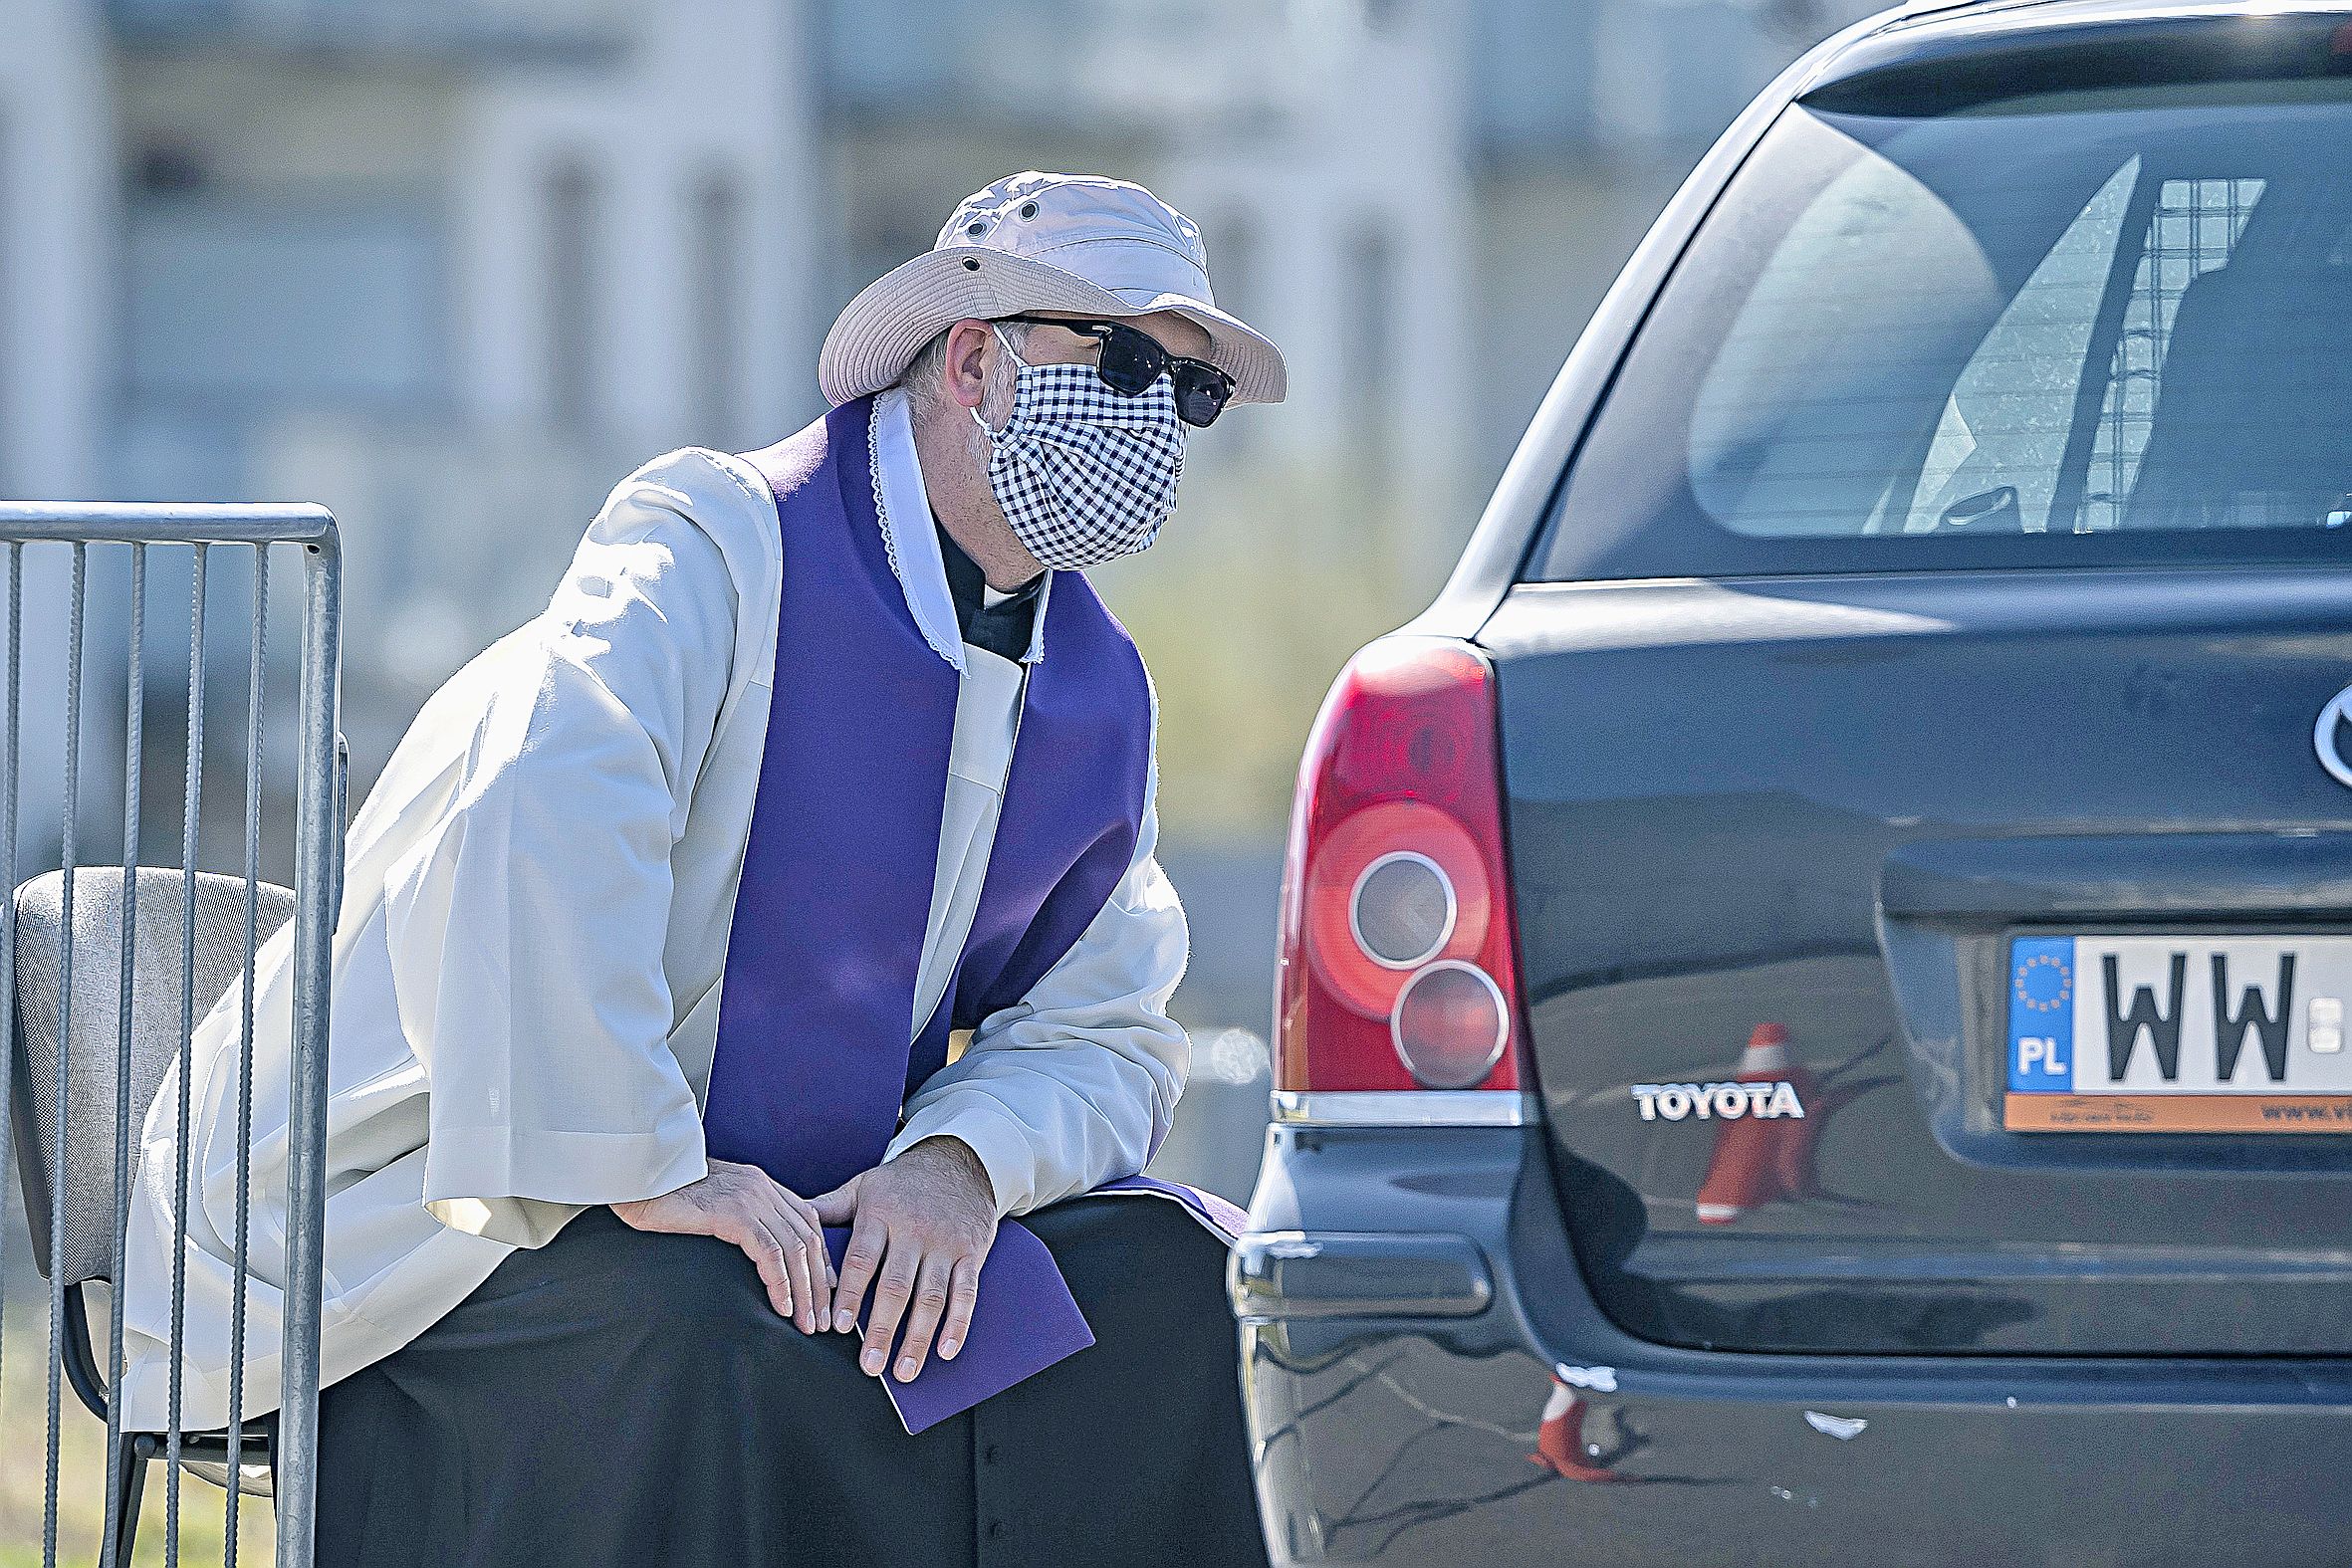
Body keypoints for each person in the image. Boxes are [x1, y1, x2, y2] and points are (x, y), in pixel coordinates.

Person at [113, 170, 1288, 1566]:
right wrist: (643, 1160)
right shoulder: (715, 546)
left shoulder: (1090, 691)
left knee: (1179, 1290)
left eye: (1191, 394)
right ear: (972, 358)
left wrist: (961, 1166)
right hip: (424, 1194)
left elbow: (1106, 1024)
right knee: (708, 1329)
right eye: (1128, 363)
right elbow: (542, 816)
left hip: (772, 1197)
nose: (1156, 418)